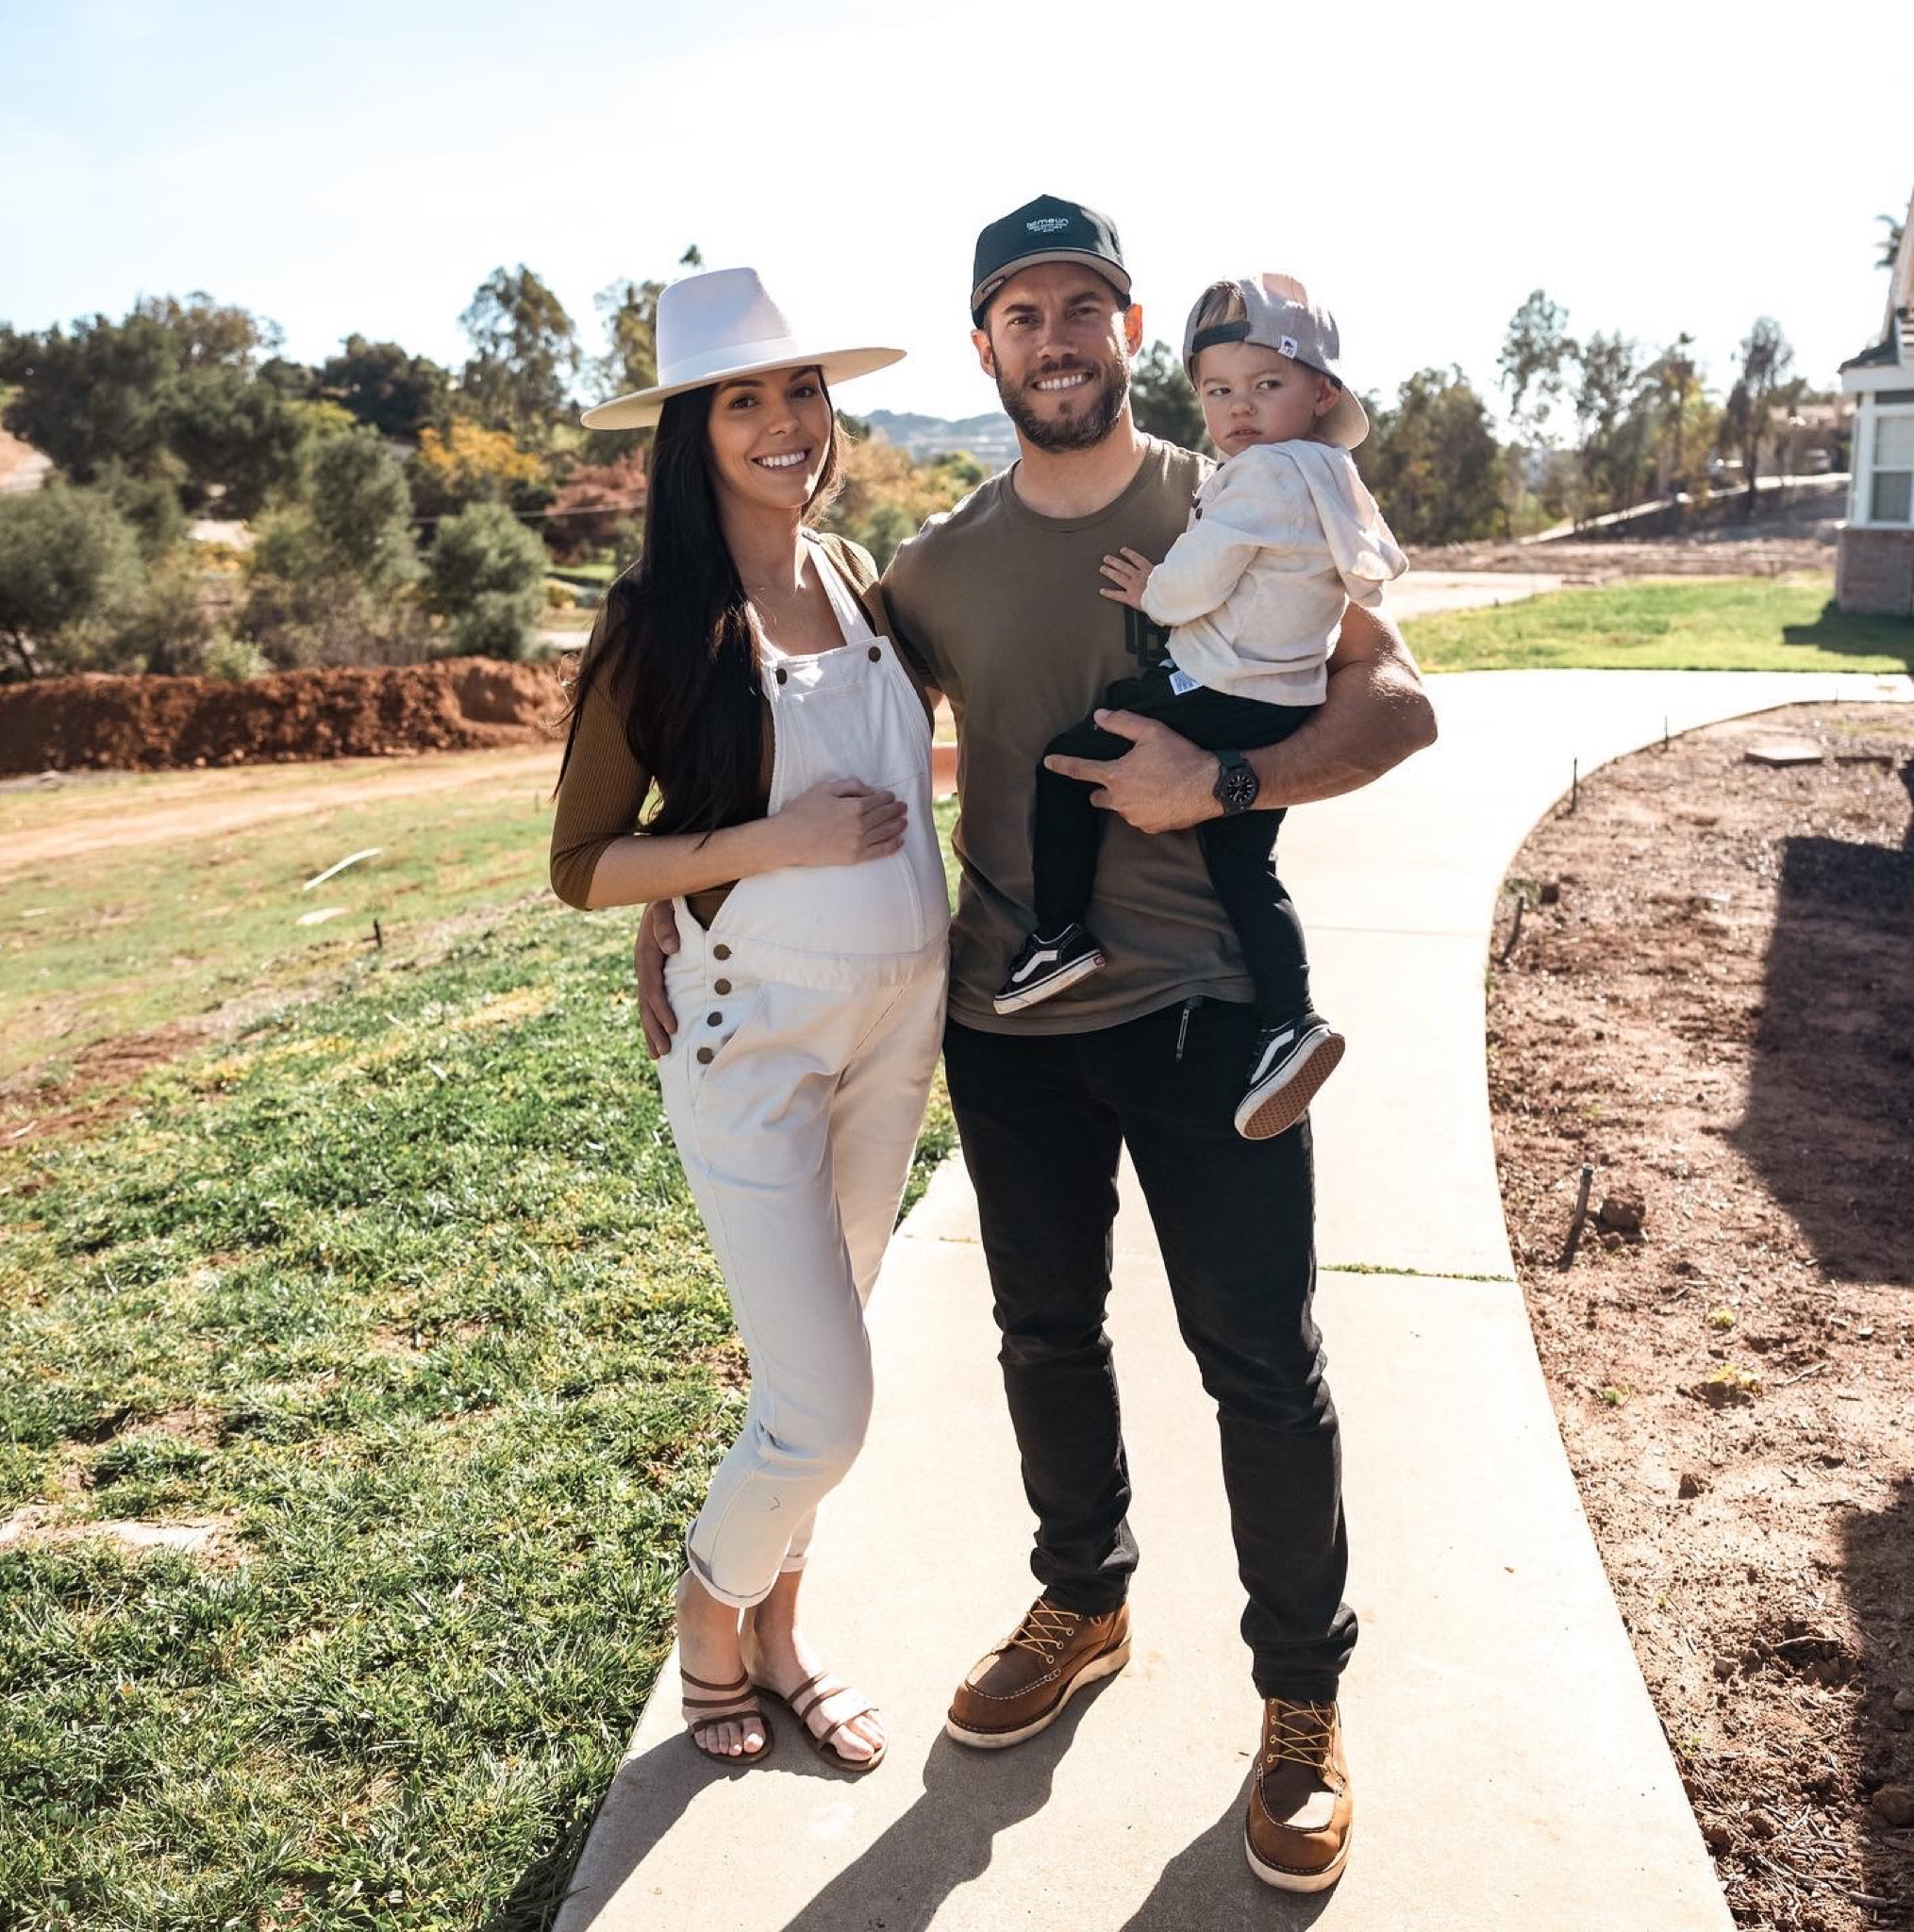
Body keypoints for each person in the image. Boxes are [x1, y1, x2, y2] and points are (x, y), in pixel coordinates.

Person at [636, 197, 1435, 1891]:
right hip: (1007, 1016)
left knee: (1259, 1364)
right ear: (982, 343)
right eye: (1021, 311)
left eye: (1085, 307)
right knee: (1041, 1337)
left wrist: (1220, 780)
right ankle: (1083, 1593)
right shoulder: (927, 568)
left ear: (1131, 334)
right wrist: (675, 895)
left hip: (1213, 1012)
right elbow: (798, 723)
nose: (1055, 338)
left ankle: (1299, 1704)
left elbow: (1396, 702)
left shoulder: (1241, 482)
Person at [553, 266, 950, 1774]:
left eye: (800, 391)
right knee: (831, 1405)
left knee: (810, 1380)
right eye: (745, 400)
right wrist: (755, 849)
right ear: (692, 433)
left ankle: (786, 1637)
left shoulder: (859, 577)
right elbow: (583, 864)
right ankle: (710, 1620)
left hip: (896, 1038)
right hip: (753, 1047)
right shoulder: (660, 623)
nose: (785, 422)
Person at [998, 271, 1407, 1143]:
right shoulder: (1334, 478)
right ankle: (1291, 1019)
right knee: (1245, 871)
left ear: (1320, 391)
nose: (1240, 410)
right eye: (1219, 391)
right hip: (1282, 704)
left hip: (1217, 692)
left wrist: (1154, 589)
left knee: (1073, 757)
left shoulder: (1255, 478)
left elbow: (1194, 581)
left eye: (1267, 385)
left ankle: (1060, 932)